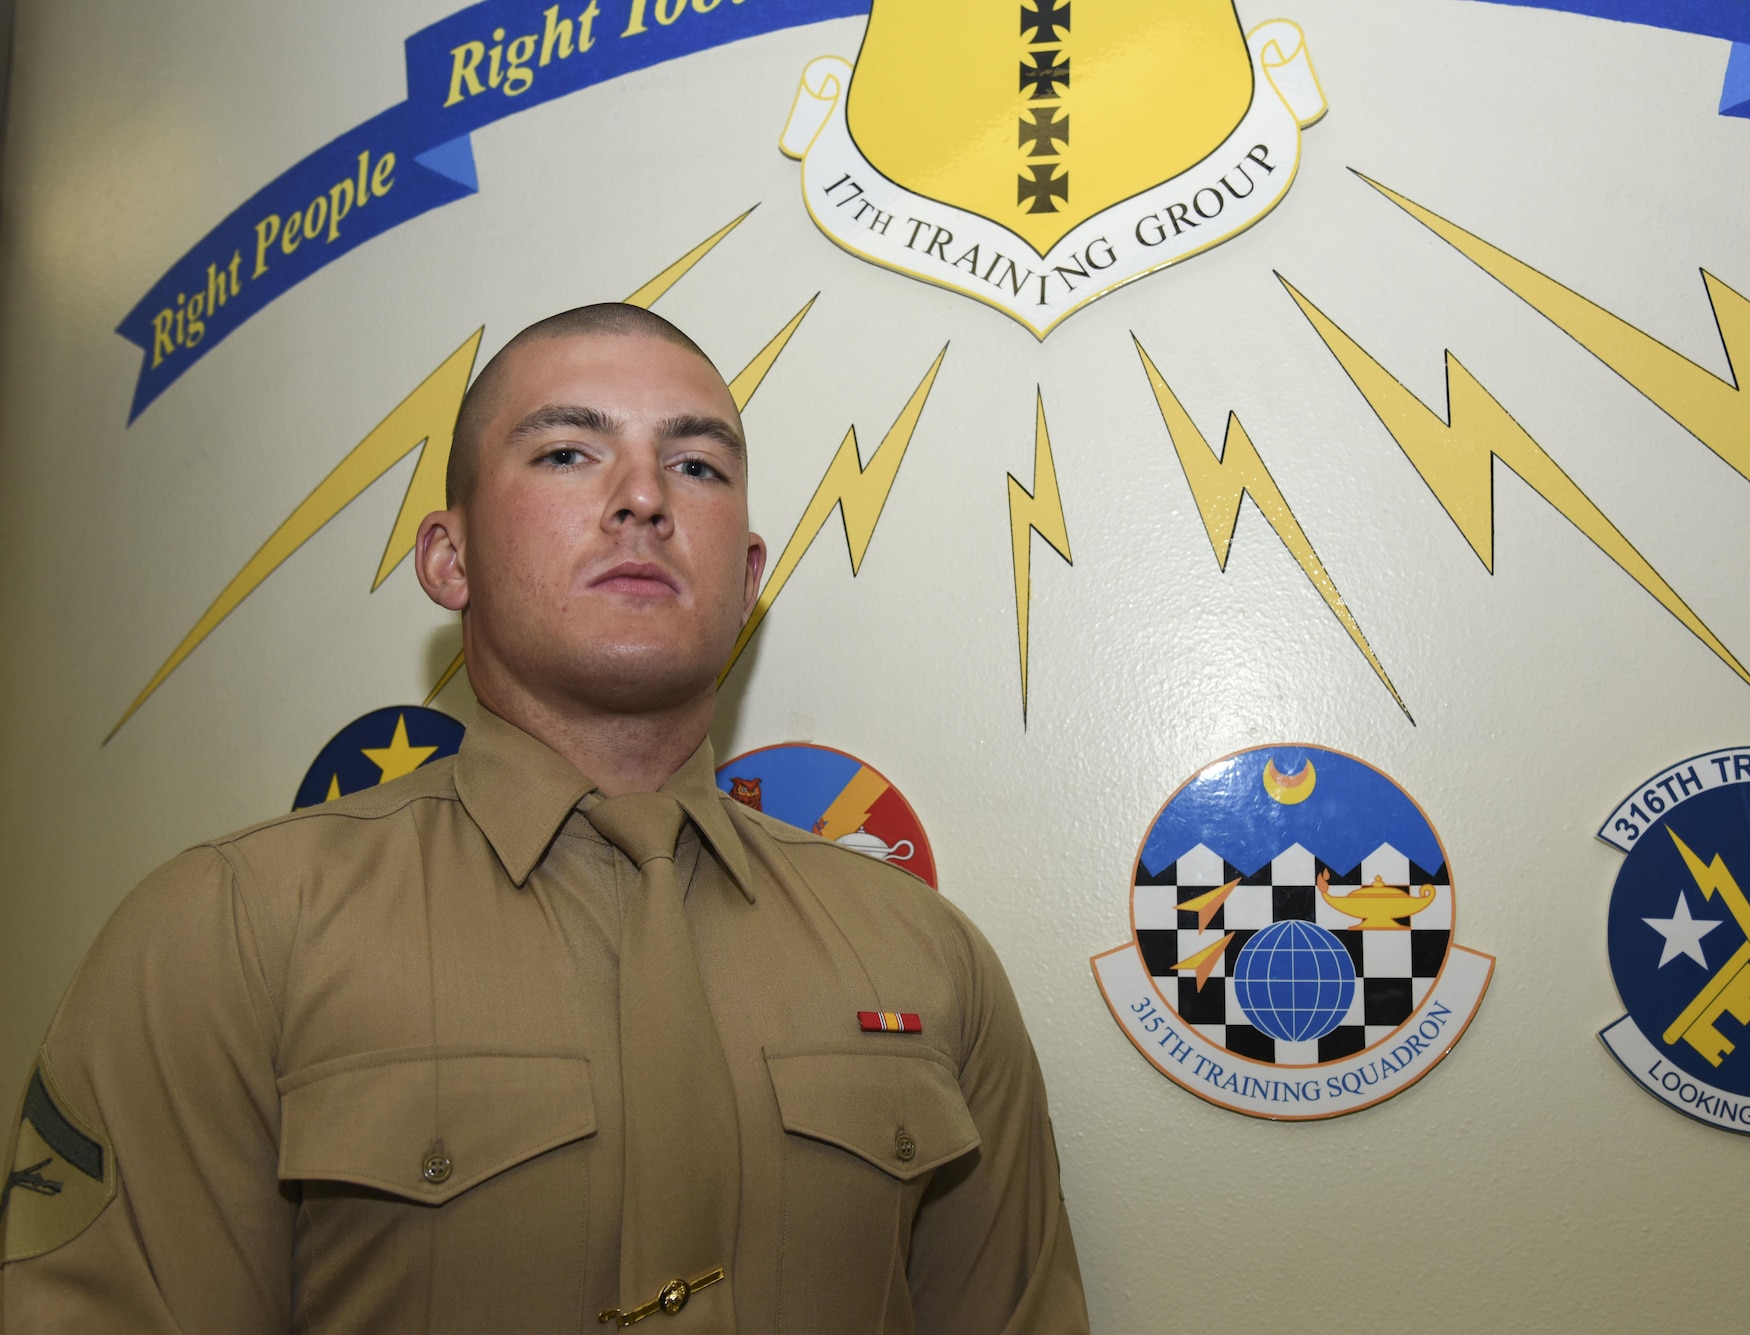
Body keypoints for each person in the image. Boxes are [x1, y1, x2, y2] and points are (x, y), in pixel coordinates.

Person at [0, 304, 1089, 1333]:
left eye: (696, 465)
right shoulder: (228, 931)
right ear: (448, 556)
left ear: (747, 578)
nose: (643, 498)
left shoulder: (923, 957)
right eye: (568, 453)